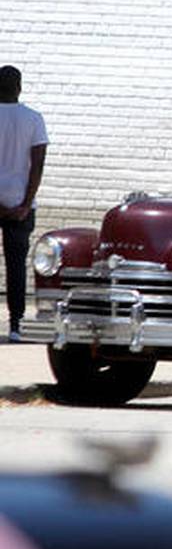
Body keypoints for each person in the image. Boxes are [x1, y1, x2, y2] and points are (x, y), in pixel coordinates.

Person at [0, 66, 46, 343]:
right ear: (19, 87)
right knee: (16, 265)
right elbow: (38, 164)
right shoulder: (34, 119)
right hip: (21, 203)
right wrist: (25, 204)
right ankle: (16, 325)